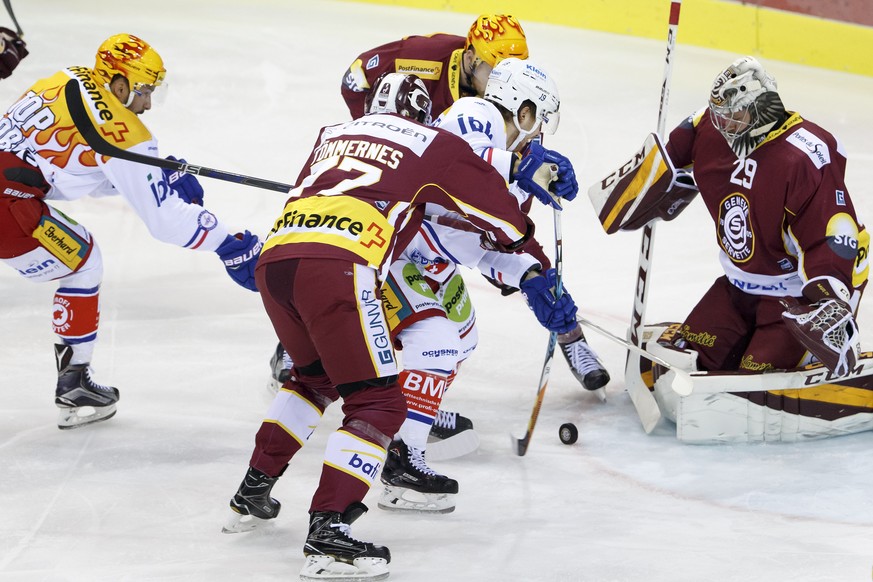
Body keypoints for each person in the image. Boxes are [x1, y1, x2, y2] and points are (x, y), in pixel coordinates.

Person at [223, 73, 576, 581]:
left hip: (277, 260)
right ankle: (329, 531)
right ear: (419, 115)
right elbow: (500, 220)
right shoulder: (430, 139)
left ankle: (251, 492)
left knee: (313, 381)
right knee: (378, 402)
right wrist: (528, 238)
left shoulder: (332, 134)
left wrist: (513, 171)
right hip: (341, 266)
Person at [376, 58, 605, 514]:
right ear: (522, 110)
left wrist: (530, 276)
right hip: (395, 251)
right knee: (435, 343)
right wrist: (518, 161)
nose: (540, 132)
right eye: (539, 119)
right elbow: (453, 165)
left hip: (434, 261)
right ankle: (402, 457)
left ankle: (408, 413)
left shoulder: (515, 169)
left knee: (462, 337)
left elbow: (478, 242)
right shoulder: (474, 115)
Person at [0, 33, 260, 429]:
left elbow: (66, 166)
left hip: (11, 190)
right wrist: (227, 242)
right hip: (9, 206)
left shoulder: (66, 77)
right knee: (83, 264)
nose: (148, 103)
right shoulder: (126, 133)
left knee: (82, 255)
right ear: (119, 84)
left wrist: (151, 173)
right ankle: (73, 382)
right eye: (143, 91)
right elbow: (166, 222)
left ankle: (74, 379)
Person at [614, 56, 870, 442]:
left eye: (734, 116)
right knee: (685, 359)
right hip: (738, 287)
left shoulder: (806, 154)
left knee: (750, 382)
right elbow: (669, 158)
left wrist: (829, 304)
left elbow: (833, 232)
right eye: (720, 114)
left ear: (762, 108)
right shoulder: (710, 126)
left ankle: (822, 342)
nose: (724, 125)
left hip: (796, 298)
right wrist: (645, 185)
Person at [341, 13, 528, 120]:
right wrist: (370, 129)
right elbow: (355, 77)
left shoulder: (517, 88)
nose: (505, 82)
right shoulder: (422, 56)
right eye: (495, 71)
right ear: (470, 57)